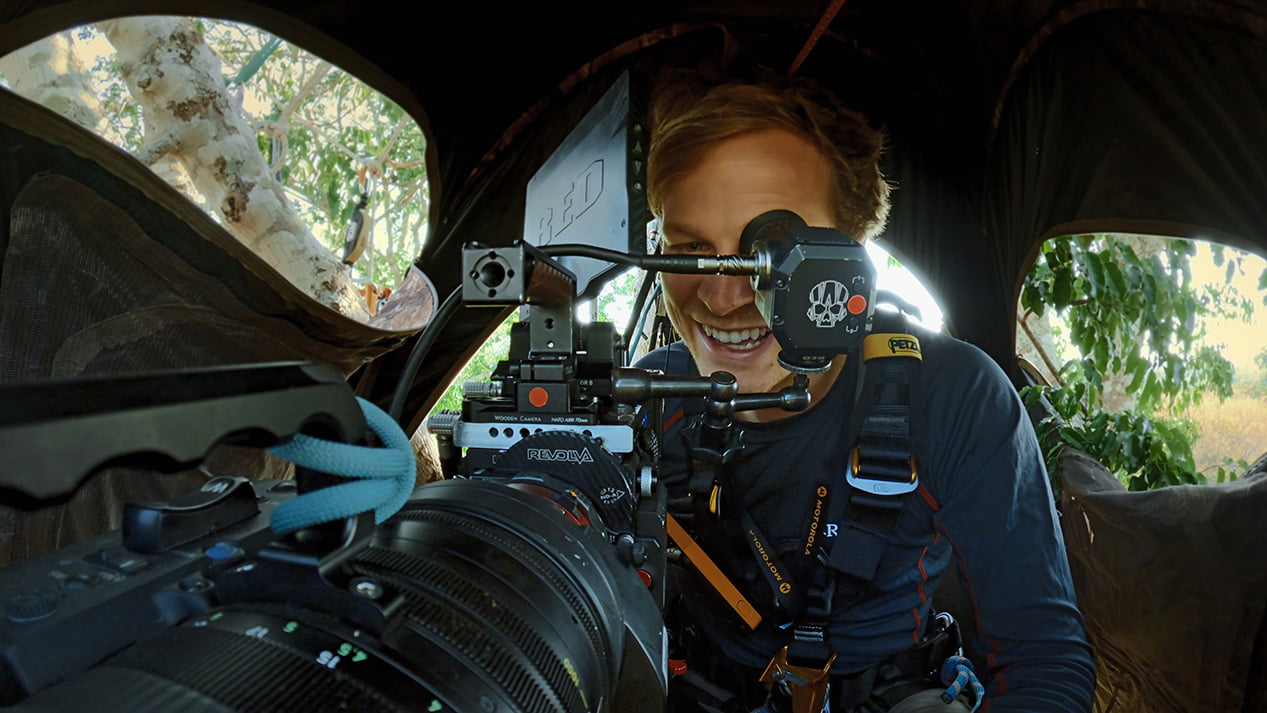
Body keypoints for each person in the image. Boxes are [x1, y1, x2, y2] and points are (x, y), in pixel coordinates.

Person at [635, 69, 1095, 713]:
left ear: (854, 253)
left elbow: (1043, 664)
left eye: (771, 255)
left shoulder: (952, 395)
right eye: (690, 248)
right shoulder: (644, 403)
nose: (723, 295)